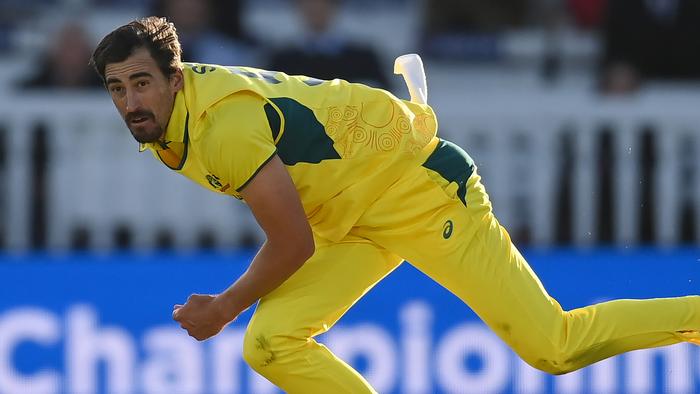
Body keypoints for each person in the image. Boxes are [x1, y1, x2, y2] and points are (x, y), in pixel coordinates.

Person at [90, 17, 700, 393]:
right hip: (351, 213)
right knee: (271, 343)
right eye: (117, 88)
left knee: (554, 348)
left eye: (140, 83)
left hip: (419, 192)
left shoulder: (223, 125)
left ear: (175, 78)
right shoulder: (168, 117)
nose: (129, 101)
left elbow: (292, 243)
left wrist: (222, 307)